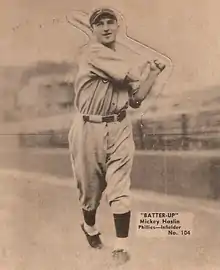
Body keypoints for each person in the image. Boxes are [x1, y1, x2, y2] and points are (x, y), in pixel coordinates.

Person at [68, 7, 166, 265]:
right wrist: (148, 62)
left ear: (117, 26)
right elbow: (132, 73)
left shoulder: (119, 59)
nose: (107, 27)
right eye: (100, 24)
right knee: (90, 193)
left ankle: (120, 247)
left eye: (111, 22)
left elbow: (135, 99)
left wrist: (153, 74)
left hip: (120, 125)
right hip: (89, 128)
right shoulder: (92, 52)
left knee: (120, 188)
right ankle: (89, 228)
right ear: (93, 30)